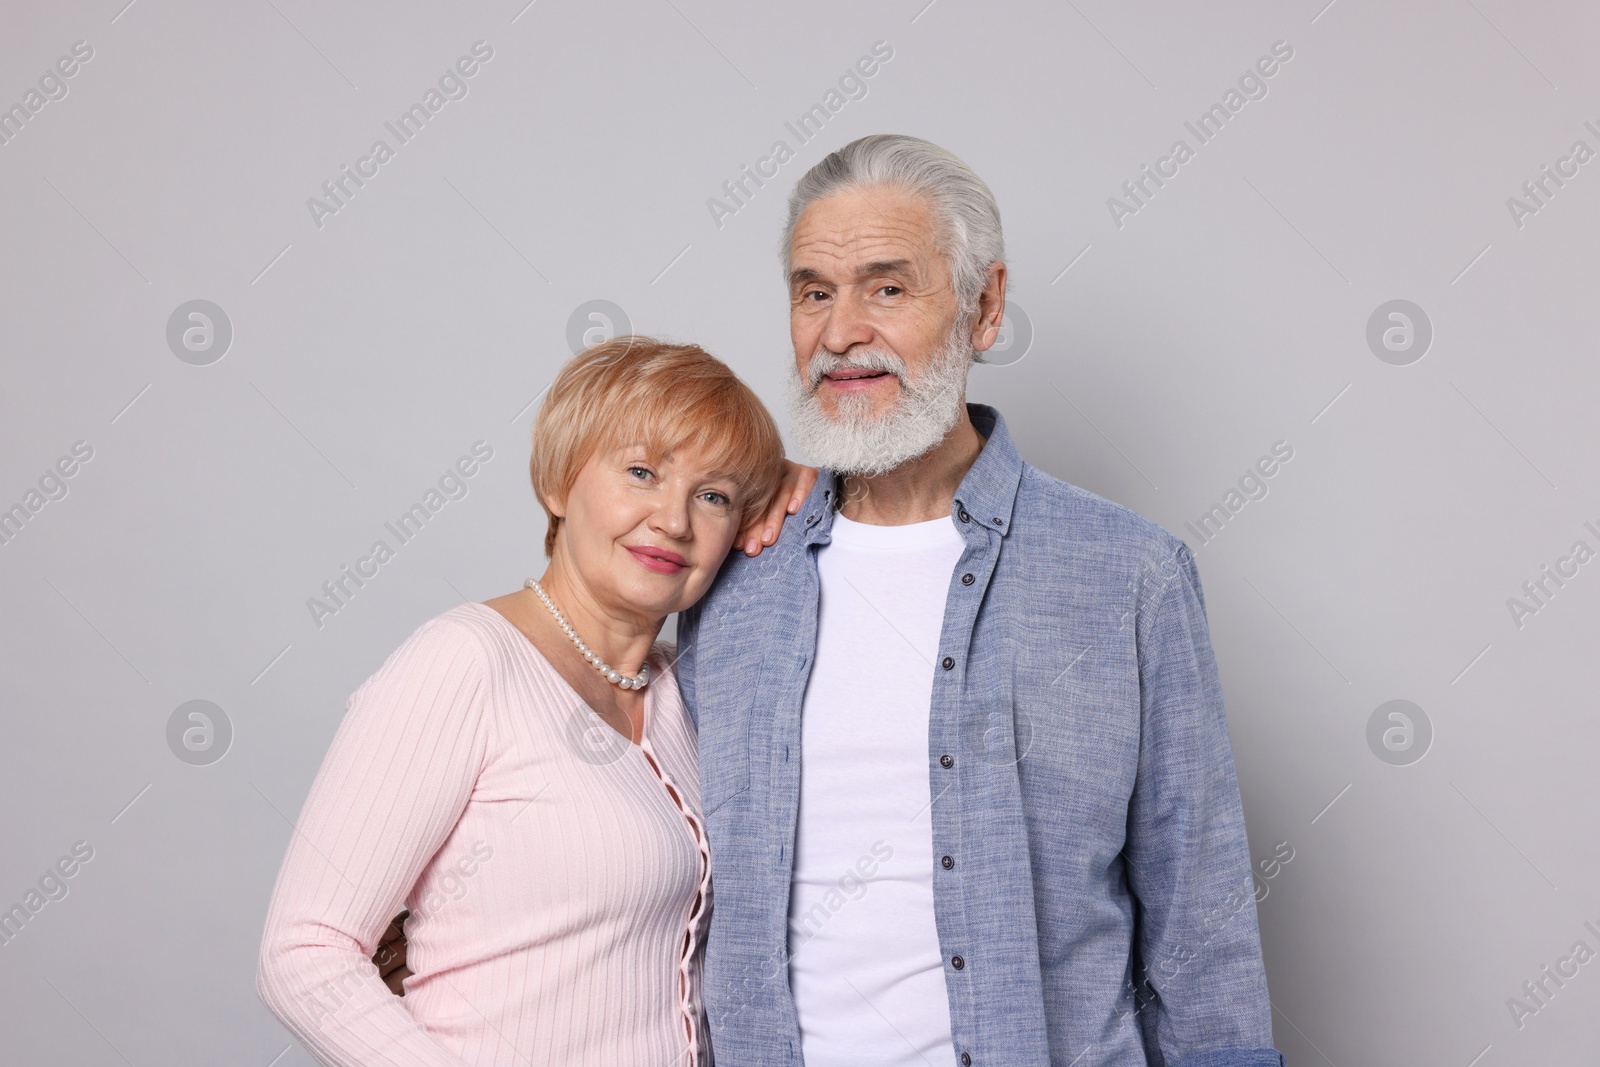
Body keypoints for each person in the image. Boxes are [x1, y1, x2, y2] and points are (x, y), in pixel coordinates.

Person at [673, 134, 1286, 1066]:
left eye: (886, 287)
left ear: (986, 307)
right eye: (813, 291)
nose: (840, 334)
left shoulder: (1130, 576)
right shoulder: (727, 573)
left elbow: (1201, 927)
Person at [256, 336, 812, 1066]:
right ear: (558, 482)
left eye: (712, 495)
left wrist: (818, 499)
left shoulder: (690, 692)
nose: (674, 520)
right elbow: (304, 951)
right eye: (642, 471)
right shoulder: (465, 663)